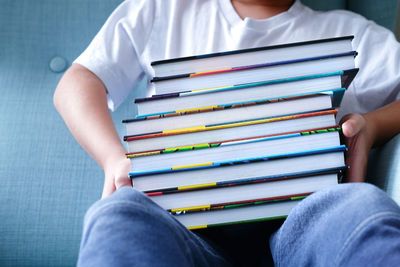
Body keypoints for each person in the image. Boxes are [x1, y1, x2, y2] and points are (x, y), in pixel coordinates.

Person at [53, 0, 400, 265]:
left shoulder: (355, 35)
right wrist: (114, 158)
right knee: (120, 215)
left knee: (363, 209)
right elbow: (78, 83)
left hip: (303, 220)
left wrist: (372, 125)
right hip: (180, 224)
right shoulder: (165, 10)